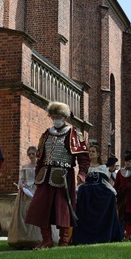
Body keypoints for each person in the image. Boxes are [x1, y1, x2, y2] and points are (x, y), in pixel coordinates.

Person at [25, 102, 90, 249]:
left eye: (59, 116)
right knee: (41, 207)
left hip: (63, 176)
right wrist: (37, 176)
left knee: (63, 208)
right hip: (45, 175)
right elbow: (40, 157)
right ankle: (46, 240)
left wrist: (82, 174)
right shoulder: (46, 134)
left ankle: (64, 241)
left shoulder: (74, 133)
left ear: (65, 117)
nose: (56, 119)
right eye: (53, 116)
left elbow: (84, 158)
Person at [72, 144, 122, 245]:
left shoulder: (103, 167)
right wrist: (77, 189)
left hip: (98, 194)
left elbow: (104, 182)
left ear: (98, 154)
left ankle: (102, 235)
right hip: (86, 195)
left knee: (104, 209)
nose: (90, 153)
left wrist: (112, 192)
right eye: (90, 151)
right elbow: (83, 182)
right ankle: (83, 237)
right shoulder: (86, 167)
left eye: (93, 151)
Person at [7, 146, 46, 249]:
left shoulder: (41, 166)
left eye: (33, 154)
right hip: (26, 192)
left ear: (37, 154)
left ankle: (38, 239)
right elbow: (22, 179)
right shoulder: (25, 167)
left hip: (37, 190)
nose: (31, 156)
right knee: (24, 214)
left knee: (37, 214)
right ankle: (23, 240)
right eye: (29, 154)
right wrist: (20, 184)